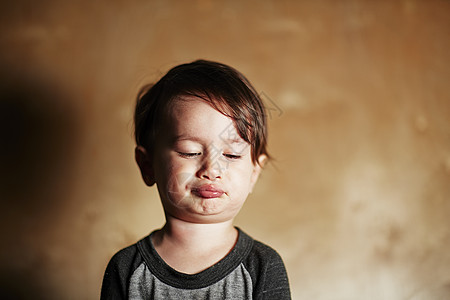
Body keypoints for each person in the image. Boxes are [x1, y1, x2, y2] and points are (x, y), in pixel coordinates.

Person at [100, 60, 291, 299]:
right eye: (189, 152)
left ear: (254, 173)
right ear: (147, 165)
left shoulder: (262, 266)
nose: (212, 169)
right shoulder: (127, 268)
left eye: (231, 155)